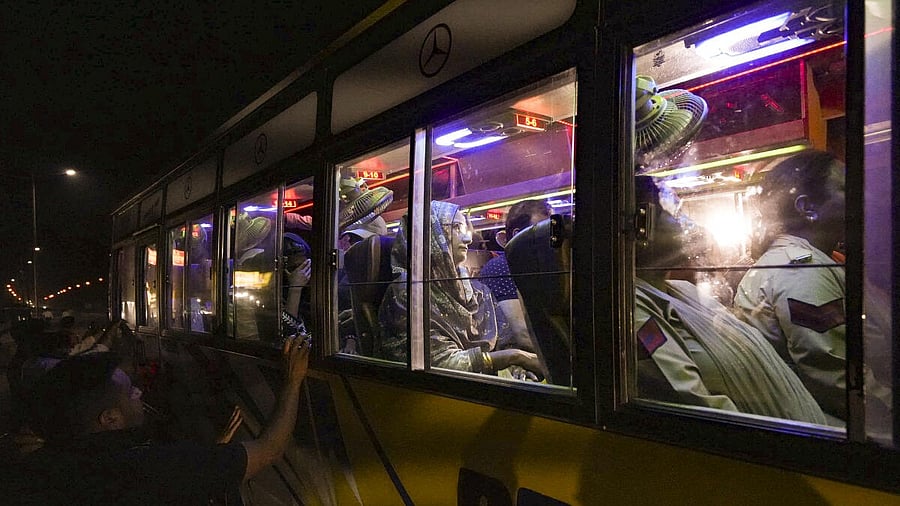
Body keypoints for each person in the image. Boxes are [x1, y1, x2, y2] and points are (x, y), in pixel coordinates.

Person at [2, 335, 310, 505]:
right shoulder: (144, 468)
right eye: (129, 392)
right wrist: (293, 381)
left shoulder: (58, 465)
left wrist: (210, 455)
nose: (139, 393)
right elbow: (271, 449)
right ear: (110, 418)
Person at [633, 176, 827, 424]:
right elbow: (695, 405)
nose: (689, 223)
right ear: (642, 228)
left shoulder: (685, 290)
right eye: (674, 214)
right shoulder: (634, 311)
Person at [733, 150, 890, 422]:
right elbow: (836, 377)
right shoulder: (802, 272)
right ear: (808, 208)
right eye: (845, 188)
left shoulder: (815, 260)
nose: (861, 197)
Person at [378, 200, 545, 378]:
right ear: (431, 235)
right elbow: (436, 363)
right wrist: (513, 358)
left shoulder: (478, 291)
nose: (468, 238)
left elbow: (506, 339)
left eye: (464, 229)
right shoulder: (409, 293)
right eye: (456, 228)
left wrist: (515, 368)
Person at [478, 199, 551, 352]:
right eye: (541, 232)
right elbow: (521, 334)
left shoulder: (530, 267)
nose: (549, 239)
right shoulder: (502, 268)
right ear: (518, 236)